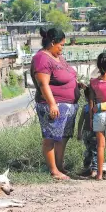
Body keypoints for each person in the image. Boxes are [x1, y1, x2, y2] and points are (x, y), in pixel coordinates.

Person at [30, 27, 80, 180]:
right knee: (50, 137)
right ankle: (53, 170)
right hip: (53, 105)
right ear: (52, 43)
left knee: (62, 137)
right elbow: (43, 84)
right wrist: (52, 104)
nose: (62, 48)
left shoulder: (57, 56)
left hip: (68, 105)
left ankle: (60, 166)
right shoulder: (42, 58)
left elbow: (66, 75)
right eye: (61, 45)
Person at [77, 87, 97, 178]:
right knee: (93, 151)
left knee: (89, 151)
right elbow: (81, 121)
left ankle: (89, 169)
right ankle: (92, 170)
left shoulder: (85, 107)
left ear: (85, 97)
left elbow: (81, 121)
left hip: (87, 132)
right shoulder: (97, 107)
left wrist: (79, 132)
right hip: (93, 132)